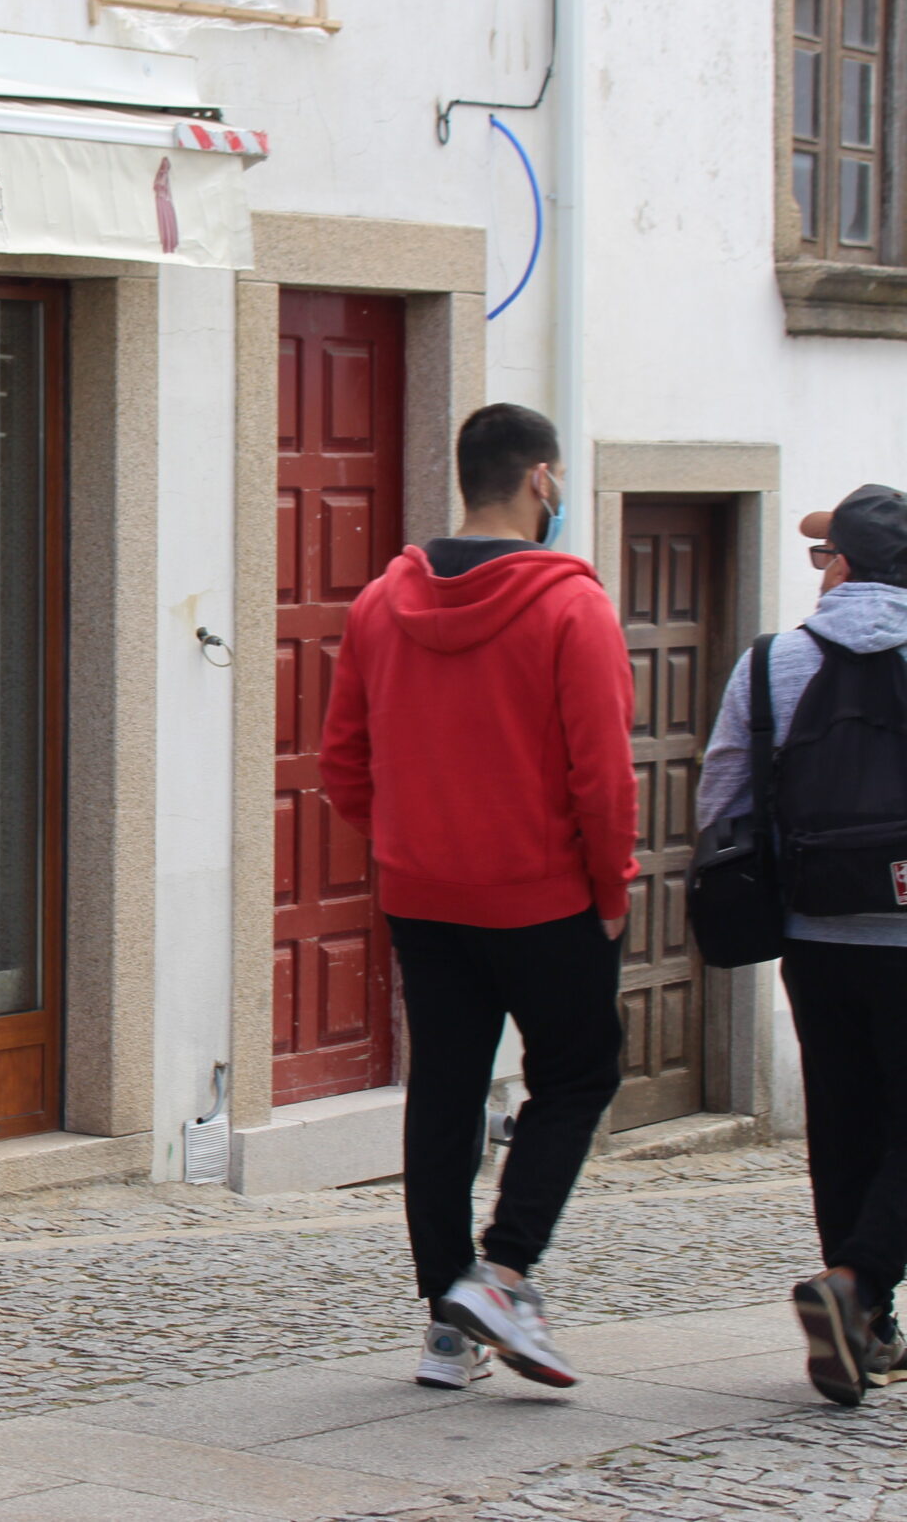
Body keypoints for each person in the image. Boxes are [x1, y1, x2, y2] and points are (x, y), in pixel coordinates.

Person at [321, 402, 638, 1392]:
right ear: (540, 481)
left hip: (424, 898)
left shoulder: (380, 604)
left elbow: (341, 761)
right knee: (578, 1075)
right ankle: (500, 1275)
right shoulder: (569, 607)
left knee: (445, 1094)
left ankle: (445, 1329)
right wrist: (610, 884)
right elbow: (602, 775)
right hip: (541, 895)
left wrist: (407, 842)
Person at [695, 484, 907, 1406]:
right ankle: (856, 1285)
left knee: (843, 1114)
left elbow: (722, 797)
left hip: (813, 932)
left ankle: (867, 1323)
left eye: (825, 559)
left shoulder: (772, 660)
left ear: (846, 564)